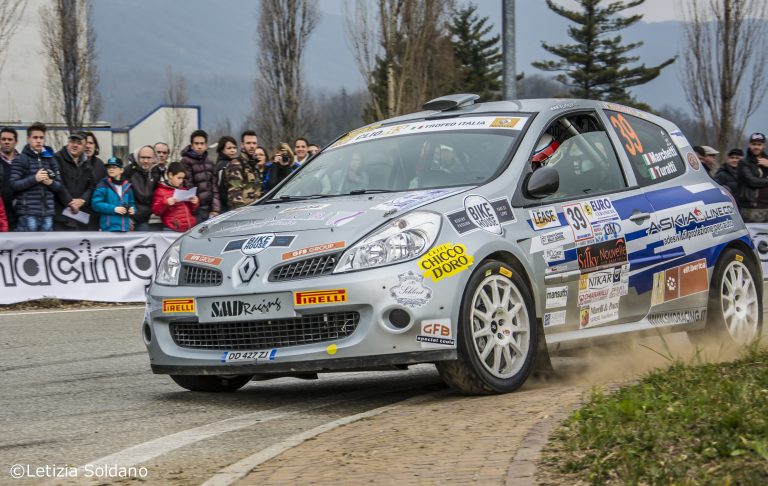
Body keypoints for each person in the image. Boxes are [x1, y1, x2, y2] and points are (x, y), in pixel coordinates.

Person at [10, 122, 63, 232]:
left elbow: (59, 185)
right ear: (28, 139)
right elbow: (14, 184)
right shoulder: (20, 159)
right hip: (28, 213)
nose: (38, 140)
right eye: (35, 137)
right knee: (26, 248)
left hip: (48, 213)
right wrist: (35, 178)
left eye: (41, 138)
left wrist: (50, 183)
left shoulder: (51, 159)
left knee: (47, 248)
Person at [53, 132, 96, 231]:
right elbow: (57, 183)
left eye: (79, 143)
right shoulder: (57, 158)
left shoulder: (87, 163)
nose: (75, 145)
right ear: (68, 143)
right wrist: (71, 202)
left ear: (84, 146)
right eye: (72, 141)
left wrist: (82, 200)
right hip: (60, 217)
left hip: (79, 217)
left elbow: (92, 186)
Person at [180, 129, 220, 223]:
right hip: (195, 209)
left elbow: (214, 186)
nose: (199, 146)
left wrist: (215, 208)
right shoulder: (185, 161)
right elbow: (187, 185)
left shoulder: (209, 161)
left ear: (206, 145)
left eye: (202, 144)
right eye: (196, 143)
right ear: (192, 145)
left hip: (210, 208)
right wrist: (195, 205)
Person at [91, 157, 136, 232]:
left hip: (125, 228)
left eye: (114, 167)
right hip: (108, 229)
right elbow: (95, 204)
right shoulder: (102, 185)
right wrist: (114, 209)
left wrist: (132, 209)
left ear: (121, 170)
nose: (111, 169)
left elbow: (132, 203)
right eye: (109, 167)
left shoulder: (127, 186)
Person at [153, 161, 199, 232]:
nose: (181, 181)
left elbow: (192, 210)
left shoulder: (183, 189)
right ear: (170, 175)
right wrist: (166, 203)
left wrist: (194, 202)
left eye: (182, 178)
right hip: (173, 229)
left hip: (188, 228)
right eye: (179, 178)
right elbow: (156, 212)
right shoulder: (161, 191)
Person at [220, 137, 262, 209]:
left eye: (254, 143)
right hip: (243, 212)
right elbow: (234, 195)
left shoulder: (254, 165)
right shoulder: (236, 164)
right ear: (242, 145)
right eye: (248, 143)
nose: (251, 146)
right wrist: (242, 214)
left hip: (255, 210)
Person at [126, 145, 159, 231]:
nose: (145, 161)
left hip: (144, 219)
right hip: (128, 218)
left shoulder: (157, 173)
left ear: (154, 158)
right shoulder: (128, 171)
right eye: (142, 157)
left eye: (149, 158)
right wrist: (126, 217)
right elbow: (120, 195)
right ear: (137, 157)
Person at [738, 133, 768, 222]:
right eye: (754, 144)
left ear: (764, 146)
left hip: (767, 207)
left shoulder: (767, 161)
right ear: (749, 145)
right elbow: (752, 181)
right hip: (751, 208)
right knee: (753, 235)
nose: (756, 147)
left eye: (759, 144)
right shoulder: (743, 162)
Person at [84, 131, 106, 230]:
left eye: (91, 143)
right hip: (75, 213)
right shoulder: (74, 163)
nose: (88, 146)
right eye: (85, 143)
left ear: (95, 146)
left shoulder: (100, 165)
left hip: (94, 215)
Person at [214, 136, 240, 213]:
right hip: (226, 208)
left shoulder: (234, 164)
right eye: (229, 148)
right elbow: (221, 189)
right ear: (222, 150)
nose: (233, 150)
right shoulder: (223, 166)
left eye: (234, 148)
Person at [1, 127, 20, 230]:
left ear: (16, 142)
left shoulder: (23, 161)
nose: (6, 142)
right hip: (1, 213)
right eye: (3, 139)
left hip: (18, 214)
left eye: (10, 139)